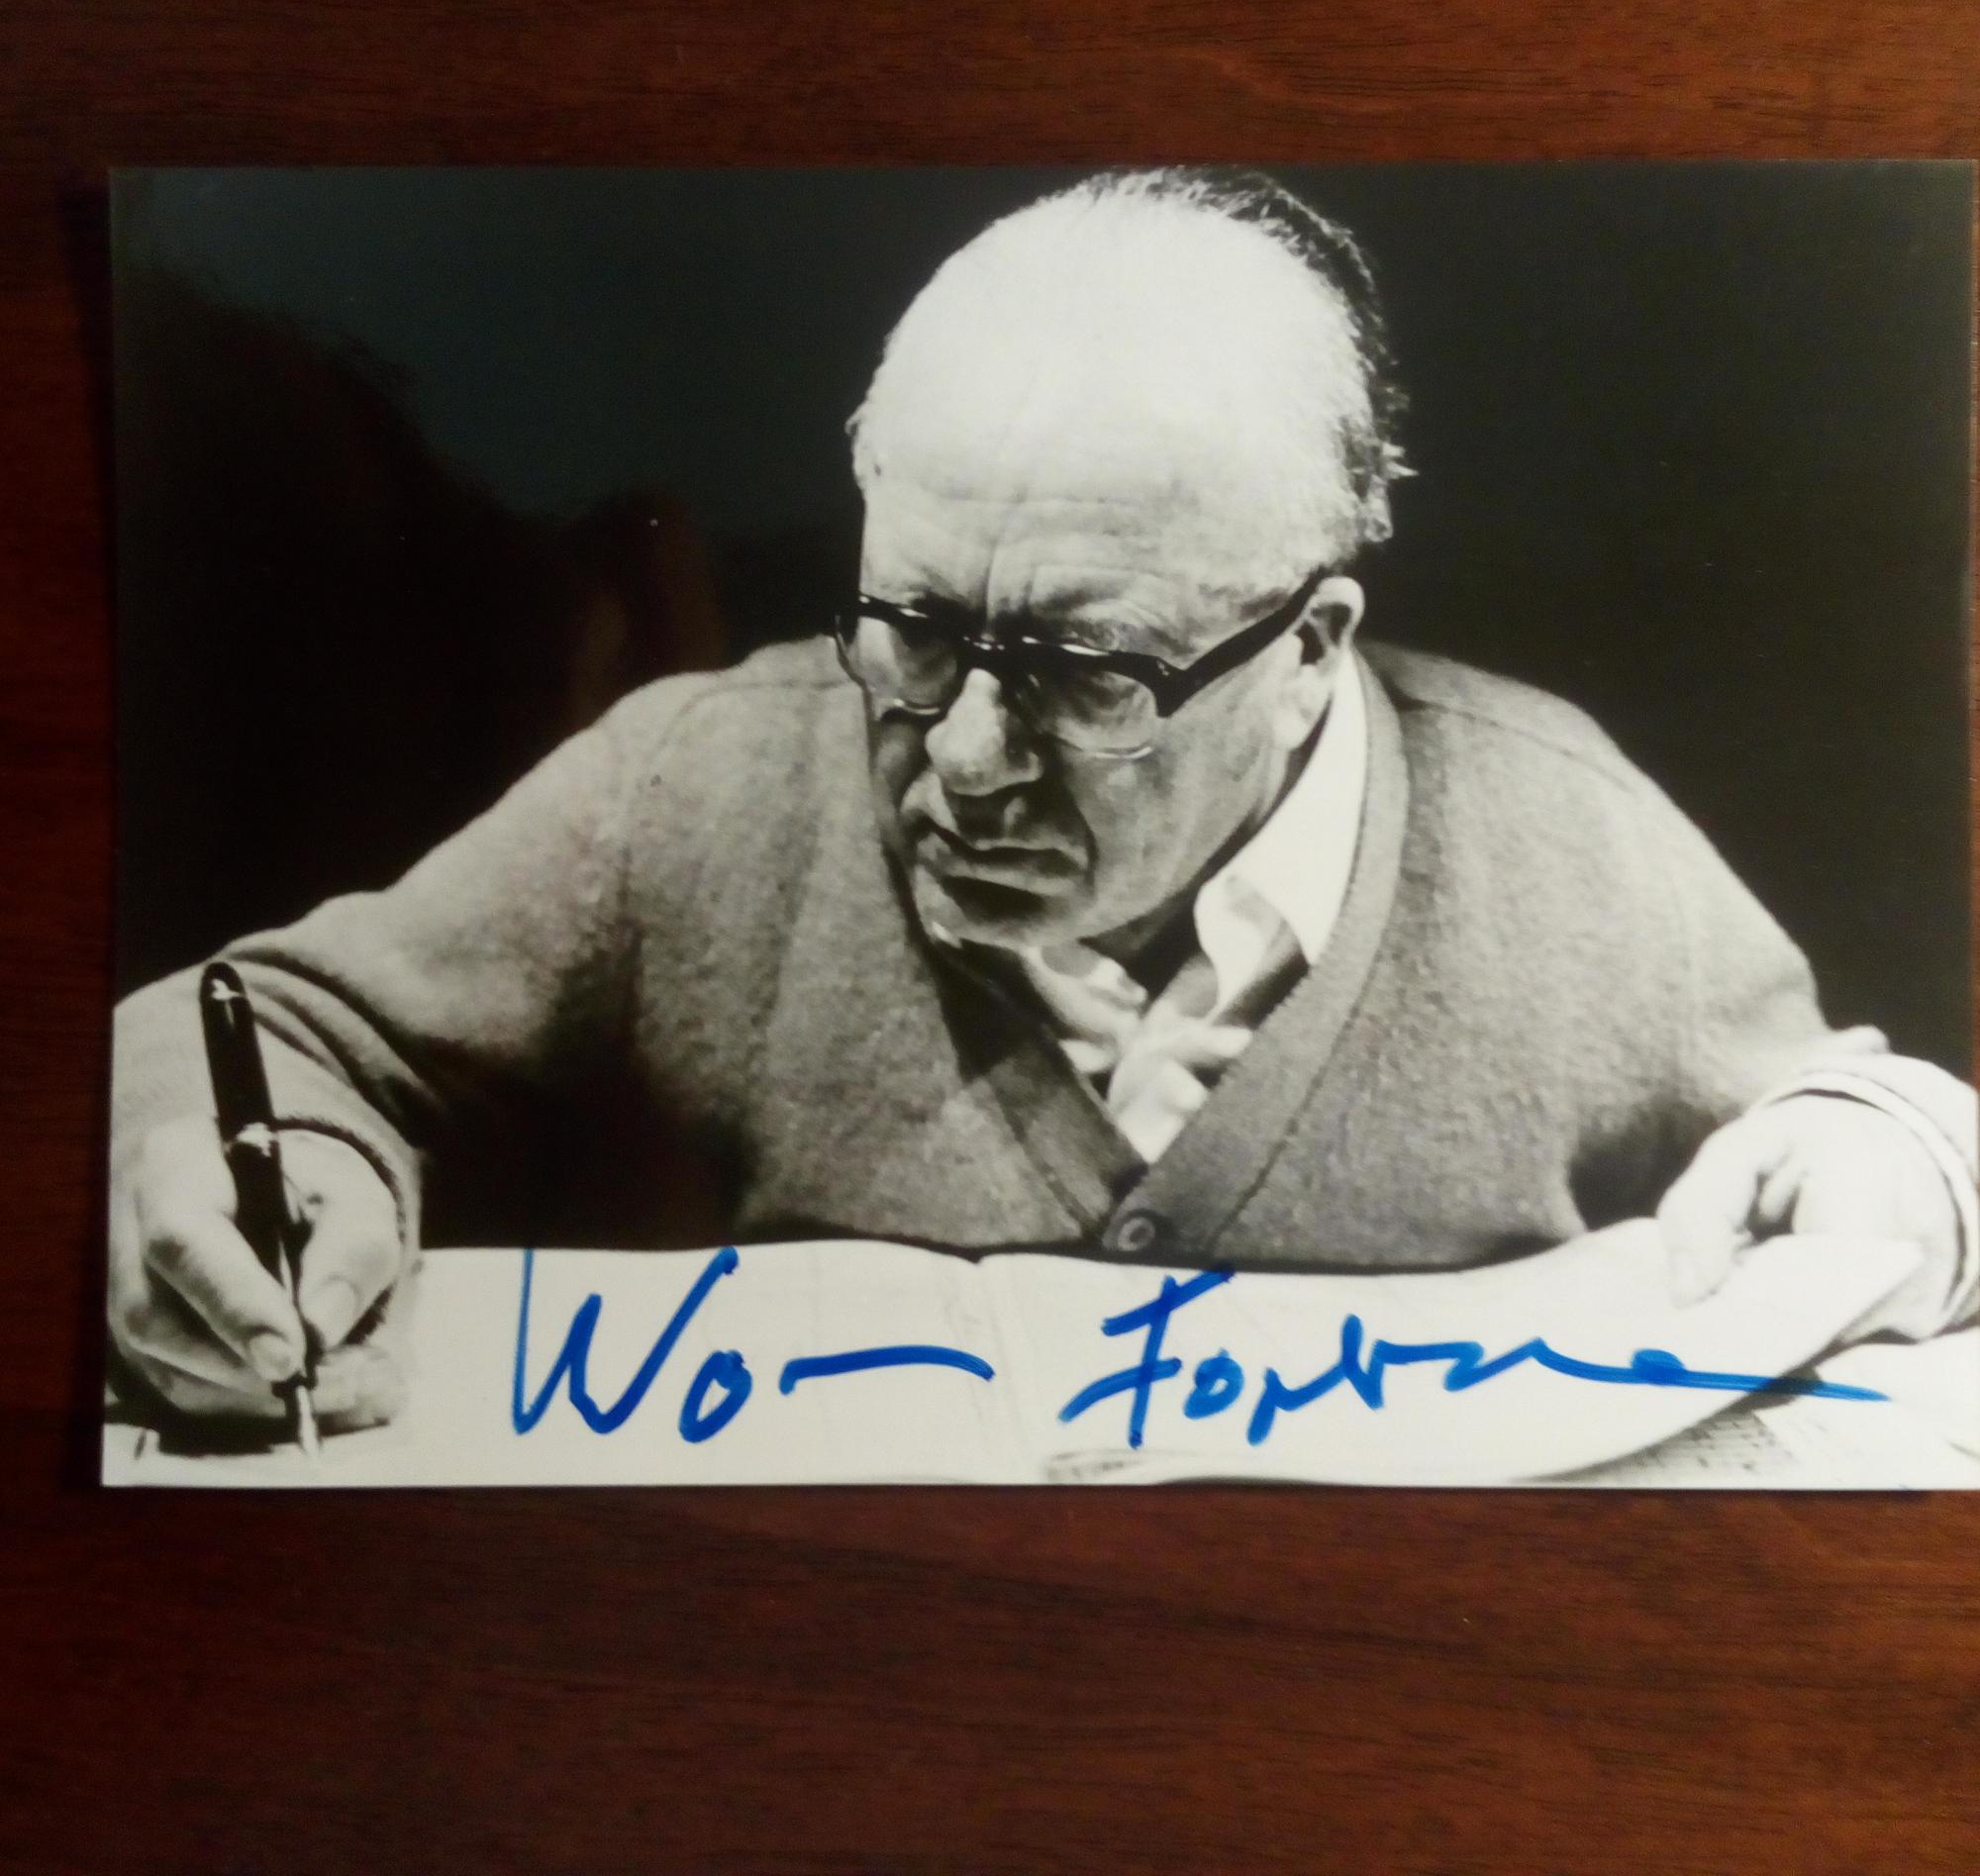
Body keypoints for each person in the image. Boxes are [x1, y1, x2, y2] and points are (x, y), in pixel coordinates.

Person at [108, 168, 1977, 1435]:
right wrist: (235, 1168)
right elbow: (258, 1033)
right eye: (915, 628)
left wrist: (1897, 1167)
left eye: (1089, 673)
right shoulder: (699, 784)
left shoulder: (1560, 842)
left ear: (1312, 646)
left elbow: (1870, 1127)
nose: (963, 753)